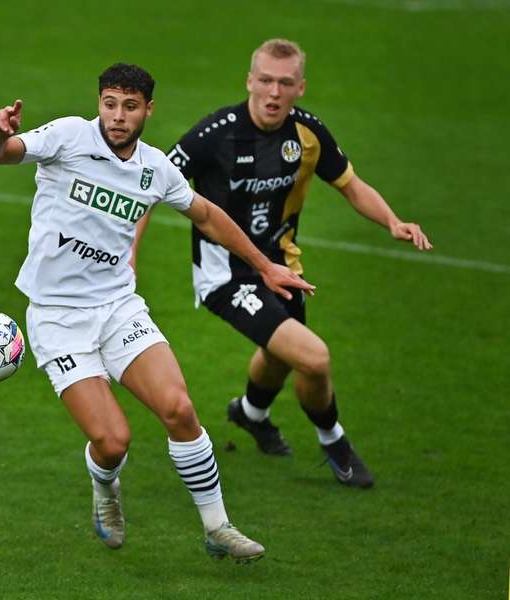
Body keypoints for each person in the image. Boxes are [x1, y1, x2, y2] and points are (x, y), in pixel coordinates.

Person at [0, 63, 314, 562]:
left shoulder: (155, 168)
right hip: (58, 318)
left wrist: (265, 266)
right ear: (99, 103)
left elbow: (207, 215)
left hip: (117, 307)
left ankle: (218, 527)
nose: (117, 116)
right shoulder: (68, 136)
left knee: (179, 410)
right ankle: (106, 488)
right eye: (110, 104)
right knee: (113, 441)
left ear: (147, 110)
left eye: (130, 107)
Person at [139, 38, 432, 489]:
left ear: (300, 88)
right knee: (314, 359)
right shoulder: (214, 135)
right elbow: (149, 189)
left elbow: (352, 186)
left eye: (286, 83)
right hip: (227, 276)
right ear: (250, 81)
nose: (274, 92)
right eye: (266, 81)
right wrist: (129, 256)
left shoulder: (308, 133)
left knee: (279, 355)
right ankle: (334, 442)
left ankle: (250, 413)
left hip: (283, 266)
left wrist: (392, 221)